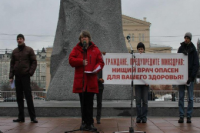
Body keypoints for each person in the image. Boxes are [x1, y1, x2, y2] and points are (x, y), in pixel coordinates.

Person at [69, 31, 104, 131]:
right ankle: (84, 122)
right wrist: (81, 61)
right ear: (80, 39)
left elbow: (101, 62)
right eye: (82, 38)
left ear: (89, 38)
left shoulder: (95, 49)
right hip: (81, 81)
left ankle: (90, 123)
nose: (84, 39)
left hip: (91, 80)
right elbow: (71, 60)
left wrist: (95, 69)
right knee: (83, 103)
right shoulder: (76, 49)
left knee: (90, 103)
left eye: (85, 37)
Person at [9, 34, 38, 123]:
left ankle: (33, 117)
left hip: (26, 76)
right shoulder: (14, 51)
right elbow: (12, 65)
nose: (19, 40)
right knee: (19, 97)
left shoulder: (29, 50)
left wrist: (30, 72)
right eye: (18, 39)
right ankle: (21, 117)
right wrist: (11, 76)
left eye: (20, 39)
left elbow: (34, 62)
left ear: (24, 39)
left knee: (28, 96)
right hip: (17, 76)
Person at [177, 32, 199, 123]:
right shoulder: (180, 48)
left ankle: (189, 116)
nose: (186, 39)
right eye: (185, 37)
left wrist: (192, 77)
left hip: (190, 77)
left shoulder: (193, 50)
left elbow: (196, 64)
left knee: (190, 98)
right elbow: (177, 61)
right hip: (181, 77)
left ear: (190, 39)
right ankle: (181, 116)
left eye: (187, 38)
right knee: (181, 97)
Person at [135, 42, 149, 123]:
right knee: (138, 101)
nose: (140, 50)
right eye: (139, 49)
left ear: (144, 50)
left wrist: (148, 80)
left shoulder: (147, 59)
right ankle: (138, 117)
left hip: (145, 84)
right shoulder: (135, 58)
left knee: (144, 101)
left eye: (142, 49)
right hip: (138, 83)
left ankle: (144, 117)